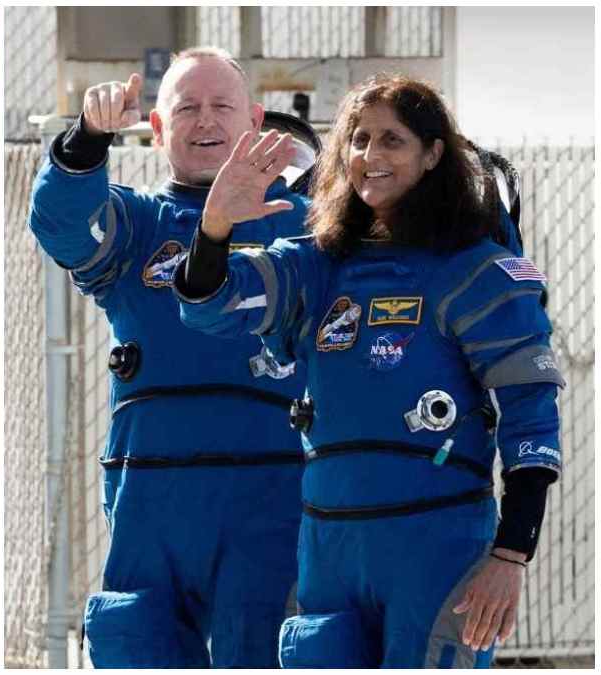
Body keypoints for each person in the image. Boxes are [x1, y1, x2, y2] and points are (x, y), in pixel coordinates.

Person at [174, 74, 562, 668]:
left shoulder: (475, 271)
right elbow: (210, 304)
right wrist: (215, 226)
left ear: (434, 154)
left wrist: (511, 555)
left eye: (392, 141)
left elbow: (531, 416)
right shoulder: (319, 264)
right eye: (357, 140)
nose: (369, 156)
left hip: (437, 546)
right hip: (330, 550)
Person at [28, 47, 310, 668]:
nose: (205, 121)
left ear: (255, 122)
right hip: (152, 497)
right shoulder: (137, 226)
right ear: (157, 131)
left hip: (271, 495)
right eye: (186, 108)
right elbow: (62, 227)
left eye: (221, 106)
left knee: (262, 650)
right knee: (138, 642)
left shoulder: (306, 231)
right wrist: (85, 142)